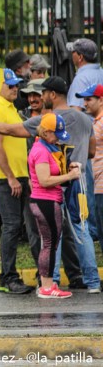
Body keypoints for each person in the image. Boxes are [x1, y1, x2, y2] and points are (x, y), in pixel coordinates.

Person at [0, 76, 99, 293]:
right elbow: (92, 151)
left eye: (43, 92)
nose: (41, 97)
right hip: (80, 181)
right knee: (81, 230)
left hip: (58, 185)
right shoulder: (83, 119)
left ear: (52, 95)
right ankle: (92, 282)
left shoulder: (47, 121)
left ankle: (50, 280)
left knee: (54, 234)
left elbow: (8, 130)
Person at [0, 69, 35, 295]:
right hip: (5, 178)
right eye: (10, 85)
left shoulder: (11, 109)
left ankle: (12, 275)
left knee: (21, 226)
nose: (15, 89)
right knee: (12, 225)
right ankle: (8, 277)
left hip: (18, 176)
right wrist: (11, 177)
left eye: (16, 85)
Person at [28, 113, 79, 299]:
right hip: (46, 201)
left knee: (50, 243)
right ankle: (47, 286)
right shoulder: (41, 150)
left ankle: (47, 283)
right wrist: (70, 177)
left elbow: (53, 169)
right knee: (49, 244)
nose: (58, 137)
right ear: (47, 132)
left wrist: (70, 166)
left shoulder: (47, 146)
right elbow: (45, 180)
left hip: (47, 201)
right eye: (56, 133)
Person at [76, 84, 103, 255]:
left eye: (89, 99)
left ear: (101, 100)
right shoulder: (95, 122)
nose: (85, 103)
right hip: (97, 185)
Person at [66, 38, 103, 111]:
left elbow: (76, 111)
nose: (71, 54)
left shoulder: (81, 79)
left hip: (89, 122)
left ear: (80, 57)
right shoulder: (101, 72)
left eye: (73, 52)